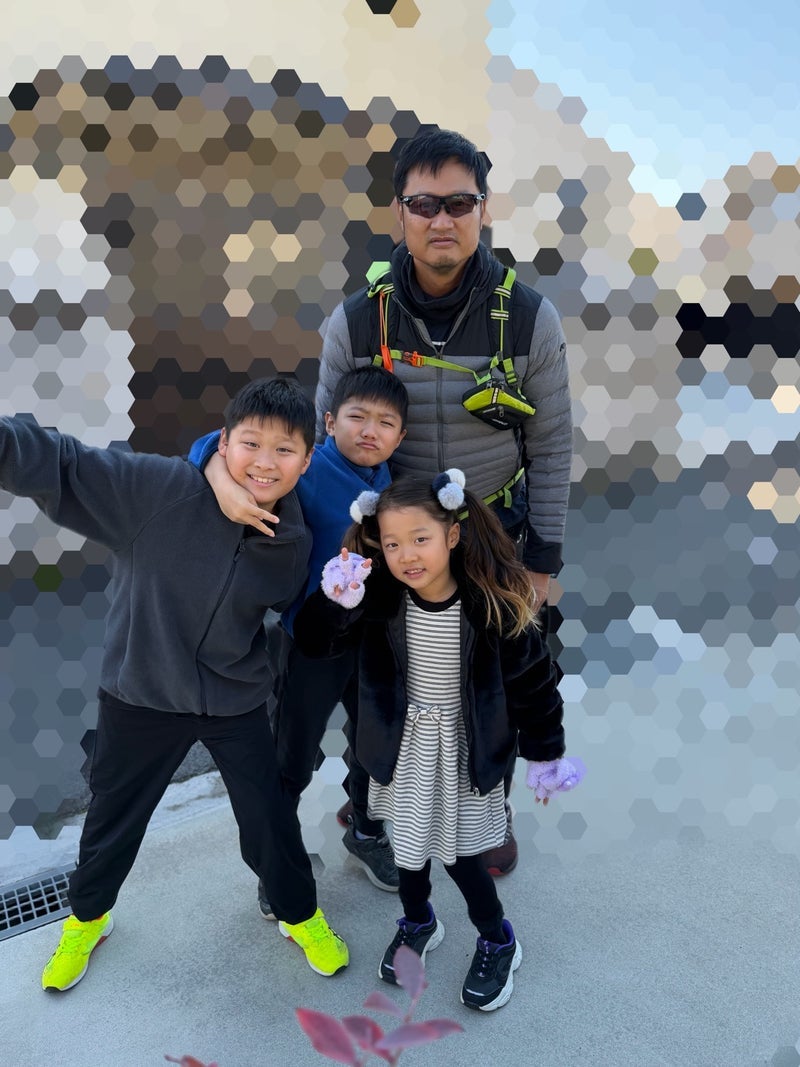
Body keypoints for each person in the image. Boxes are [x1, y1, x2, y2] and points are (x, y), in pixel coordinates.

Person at [0, 379, 349, 991]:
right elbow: (63, 462)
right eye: (251, 443)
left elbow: (294, 615)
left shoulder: (293, 537)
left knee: (270, 818)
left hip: (235, 697)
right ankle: (87, 920)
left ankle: (298, 915)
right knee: (112, 818)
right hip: (141, 691)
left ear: (306, 458)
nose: (265, 463)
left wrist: (341, 599)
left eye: (285, 450)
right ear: (224, 441)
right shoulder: (157, 490)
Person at [315, 128, 573, 875]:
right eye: (424, 203)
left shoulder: (529, 318)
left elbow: (552, 444)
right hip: (390, 539)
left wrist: (542, 561)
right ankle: (372, 806)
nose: (442, 219)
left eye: (459, 202)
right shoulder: (356, 321)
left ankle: (485, 812)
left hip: (492, 534)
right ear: (398, 212)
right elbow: (322, 437)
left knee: (497, 683)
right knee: (379, 683)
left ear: (483, 210)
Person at [292, 471, 584, 1011]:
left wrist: (545, 754)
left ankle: (497, 938)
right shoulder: (377, 599)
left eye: (420, 538)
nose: (407, 555)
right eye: (393, 543)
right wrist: (334, 601)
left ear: (451, 535)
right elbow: (314, 643)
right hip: (401, 749)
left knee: (462, 858)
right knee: (407, 851)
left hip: (464, 753)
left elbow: (534, 685)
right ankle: (418, 921)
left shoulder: (492, 604)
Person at [191, 366, 409, 901]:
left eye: (385, 423)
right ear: (329, 423)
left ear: (401, 436)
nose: (370, 432)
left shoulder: (392, 482)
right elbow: (208, 444)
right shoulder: (309, 468)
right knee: (292, 753)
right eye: (357, 417)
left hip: (375, 640)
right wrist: (222, 482)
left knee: (378, 741)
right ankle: (277, 862)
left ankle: (367, 831)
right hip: (313, 642)